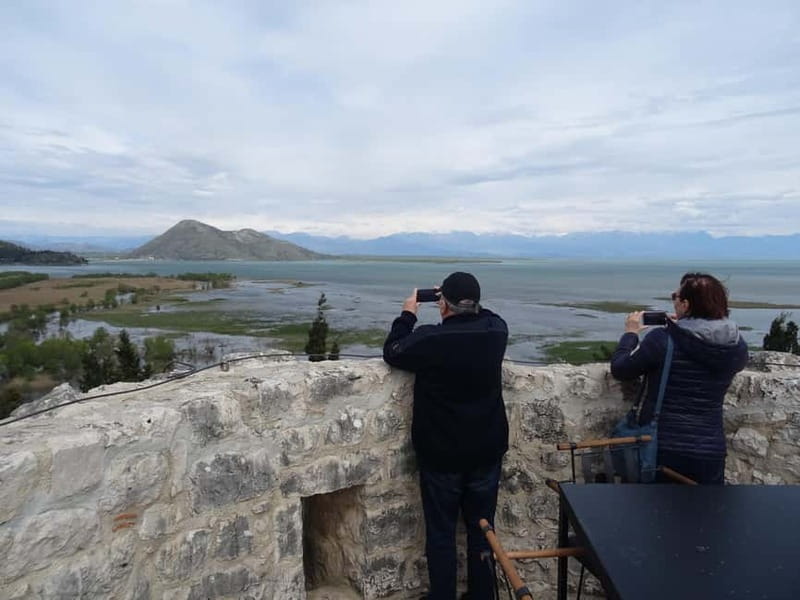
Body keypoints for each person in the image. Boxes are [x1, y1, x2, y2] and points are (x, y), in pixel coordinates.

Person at [383, 272, 508, 600]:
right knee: (483, 531)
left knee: (441, 535)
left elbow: (393, 351)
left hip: (441, 456)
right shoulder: (496, 332)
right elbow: (487, 315)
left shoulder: (430, 339)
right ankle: (482, 596)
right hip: (486, 452)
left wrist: (408, 313)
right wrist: (460, 299)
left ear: (443, 306)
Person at [610, 272, 749, 484]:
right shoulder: (736, 346)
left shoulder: (663, 340)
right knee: (706, 513)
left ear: (685, 305)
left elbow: (621, 369)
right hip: (710, 450)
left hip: (663, 447)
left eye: (675, 296)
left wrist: (630, 334)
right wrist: (681, 327)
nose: (673, 300)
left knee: (656, 513)